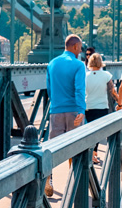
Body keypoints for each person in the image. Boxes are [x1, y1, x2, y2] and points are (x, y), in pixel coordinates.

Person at [45, 34, 86, 197]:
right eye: (80, 46)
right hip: (74, 111)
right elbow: (79, 90)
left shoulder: (52, 63)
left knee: (52, 148)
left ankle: (48, 176)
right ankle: (73, 180)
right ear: (75, 47)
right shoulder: (78, 65)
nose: (81, 49)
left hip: (56, 110)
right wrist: (81, 110)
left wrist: (55, 104)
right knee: (75, 146)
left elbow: (49, 89)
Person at [84, 53, 116, 164]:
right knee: (98, 132)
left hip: (88, 107)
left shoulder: (85, 76)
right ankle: (94, 154)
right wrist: (120, 102)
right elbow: (112, 91)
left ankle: (91, 153)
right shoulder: (106, 75)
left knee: (90, 131)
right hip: (102, 107)